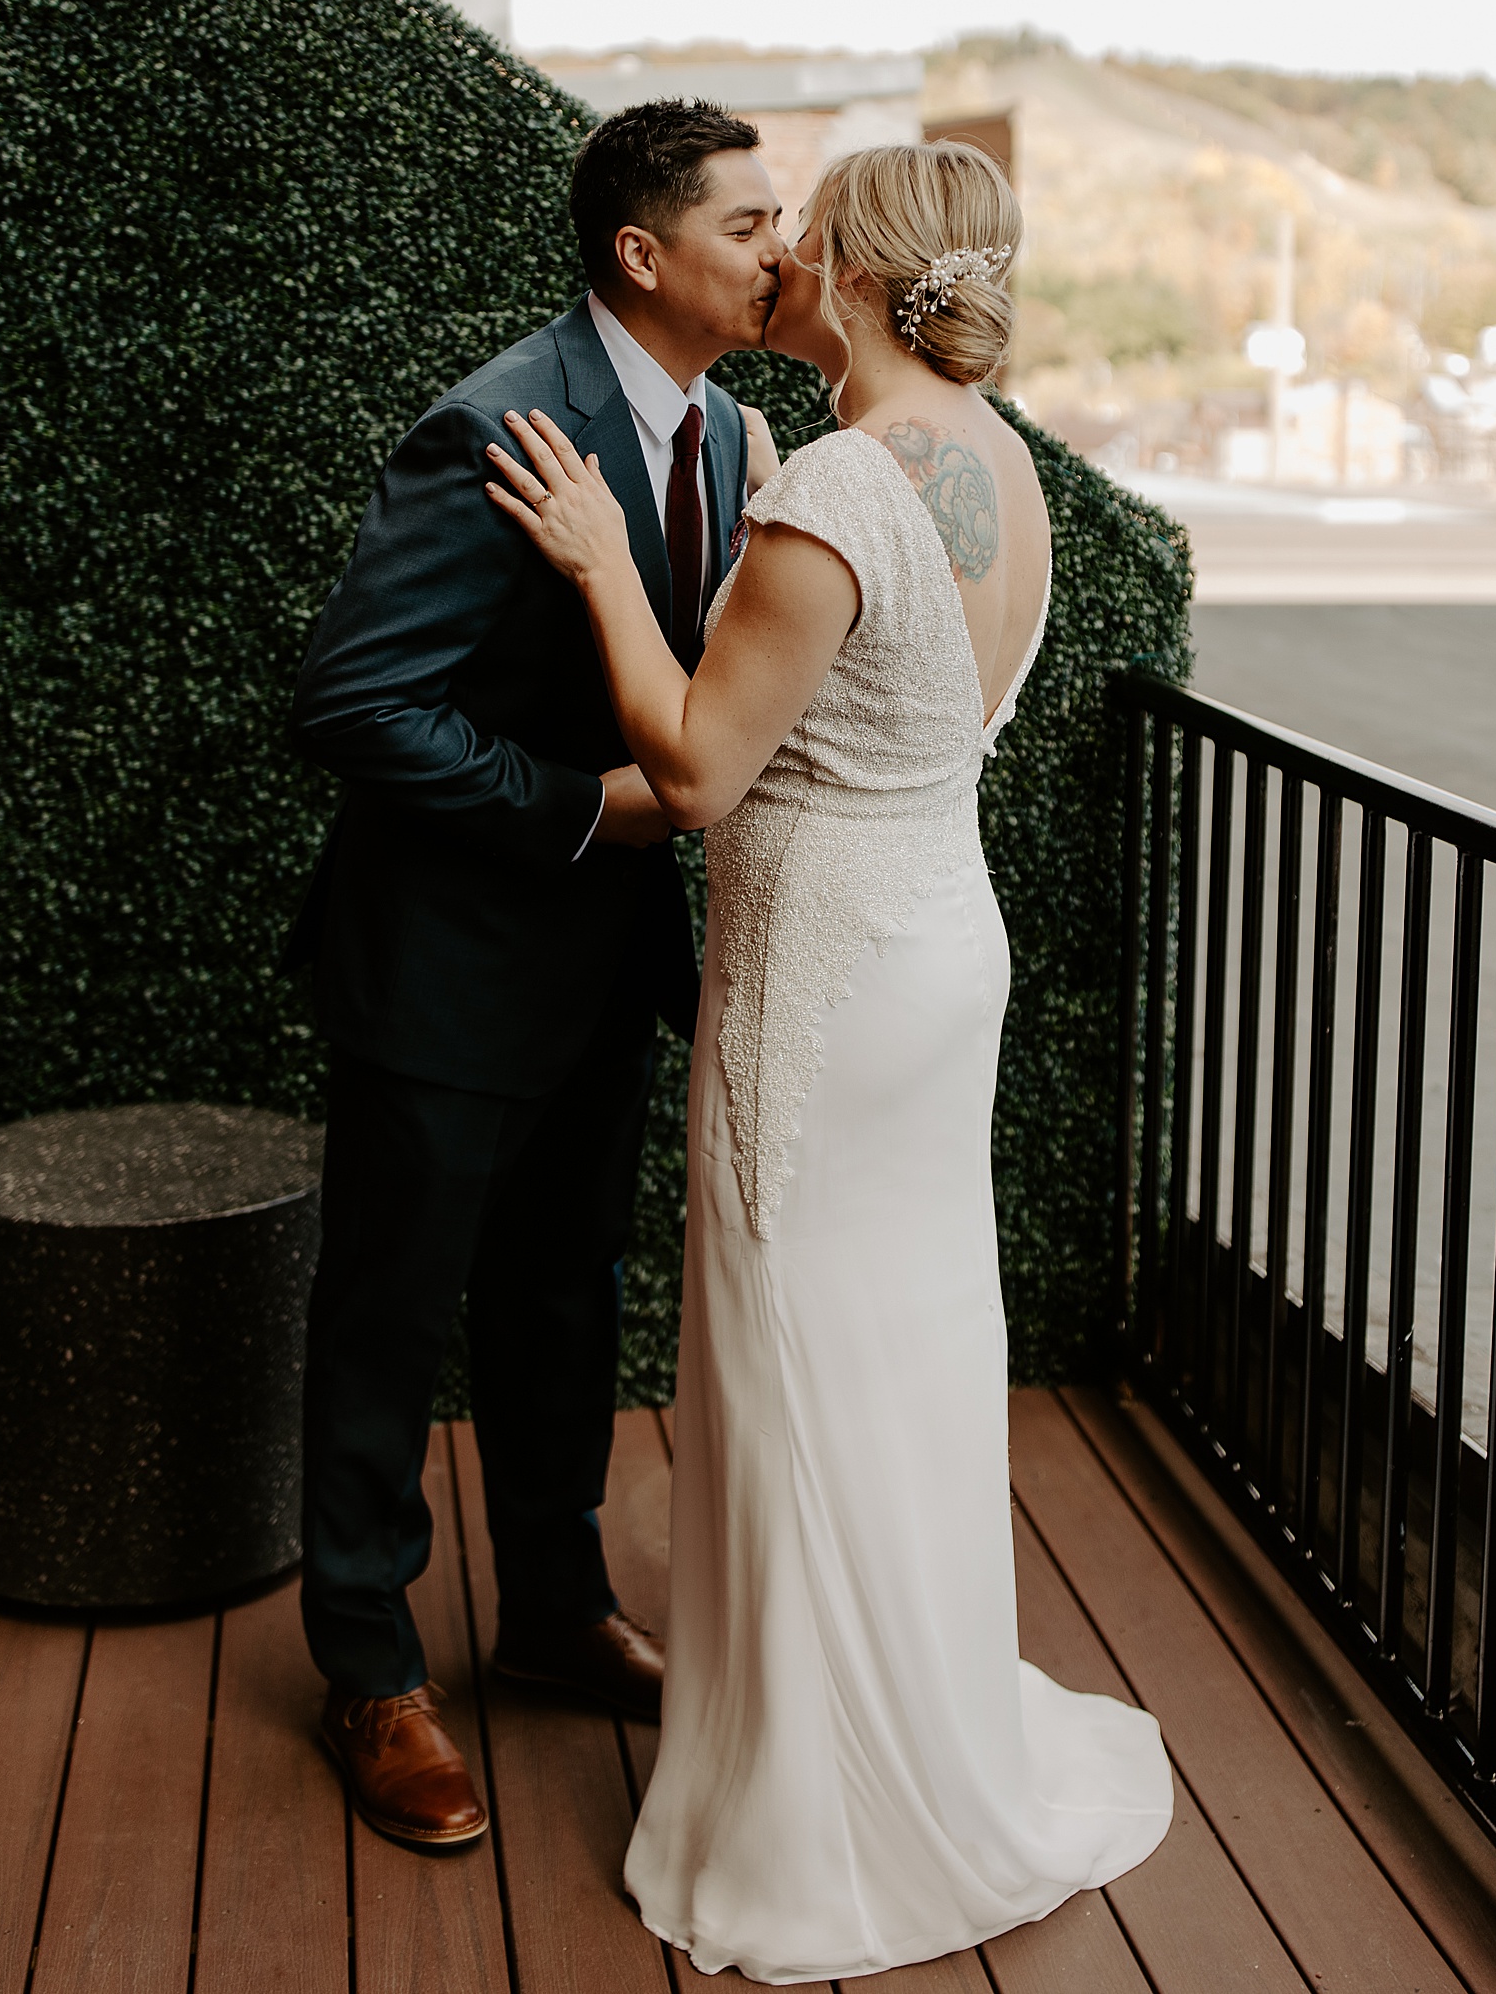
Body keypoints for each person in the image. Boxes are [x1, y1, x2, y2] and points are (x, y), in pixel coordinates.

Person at [484, 138, 1173, 1980]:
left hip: (826, 991)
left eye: (803, 231)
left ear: (856, 269)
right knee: (907, 1350)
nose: (774, 250)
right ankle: (908, 1715)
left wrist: (599, 567)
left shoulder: (838, 493)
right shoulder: (1002, 466)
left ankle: (818, 1802)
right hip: (937, 956)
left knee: (792, 1355)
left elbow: (701, 767)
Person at [285, 99, 784, 1849]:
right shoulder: (494, 421)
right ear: (643, 255)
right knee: (389, 1320)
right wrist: (584, 807)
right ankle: (367, 1663)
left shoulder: (734, 435)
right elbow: (351, 700)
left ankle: (555, 1613)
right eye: (747, 224)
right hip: (441, 970)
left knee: (566, 1309)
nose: (777, 252)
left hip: (606, 973)